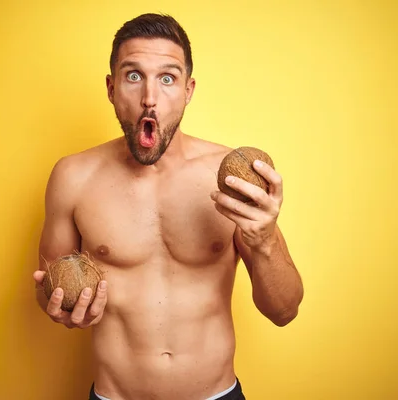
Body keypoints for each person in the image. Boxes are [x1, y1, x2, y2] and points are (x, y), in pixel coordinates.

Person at [32, 13, 304, 400]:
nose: (149, 97)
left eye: (167, 78)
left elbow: (285, 310)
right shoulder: (73, 178)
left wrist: (263, 241)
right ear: (111, 88)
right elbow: (48, 285)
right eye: (132, 76)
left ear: (188, 89)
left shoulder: (230, 178)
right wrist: (59, 306)